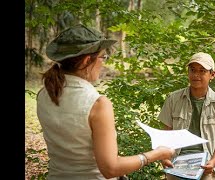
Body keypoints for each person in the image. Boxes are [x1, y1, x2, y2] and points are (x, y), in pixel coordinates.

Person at [36, 24, 175, 180]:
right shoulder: (97, 104)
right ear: (86, 61)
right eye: (103, 57)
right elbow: (110, 168)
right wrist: (157, 154)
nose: (104, 63)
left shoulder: (44, 94)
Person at [158, 52, 215, 180]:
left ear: (212, 74)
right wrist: (165, 158)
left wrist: (213, 162)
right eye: (192, 70)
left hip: (205, 164)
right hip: (177, 162)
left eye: (202, 71)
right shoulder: (173, 99)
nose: (196, 75)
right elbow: (166, 134)